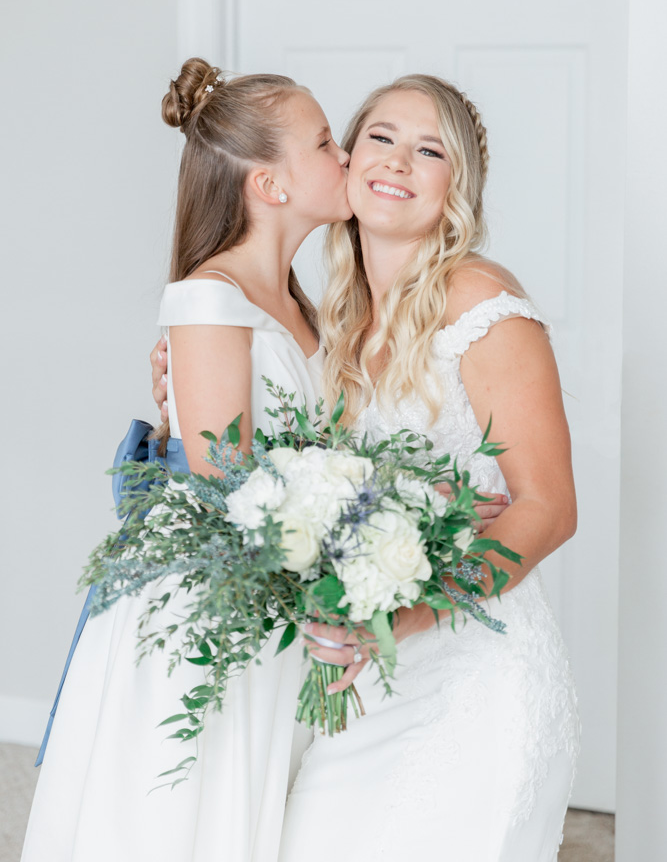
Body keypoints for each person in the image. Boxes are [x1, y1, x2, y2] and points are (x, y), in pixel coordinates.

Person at [154, 74, 579, 860]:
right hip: (365, 679)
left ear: (457, 186)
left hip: (470, 676)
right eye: (380, 137)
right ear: (344, 162)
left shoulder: (478, 302)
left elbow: (548, 507)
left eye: (430, 150)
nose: (398, 162)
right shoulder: (337, 323)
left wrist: (405, 617)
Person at [21, 58, 351, 862]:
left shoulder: (301, 300)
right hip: (225, 590)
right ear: (269, 186)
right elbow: (222, 485)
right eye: (324, 142)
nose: (346, 158)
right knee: (196, 805)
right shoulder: (210, 296)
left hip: (277, 573)